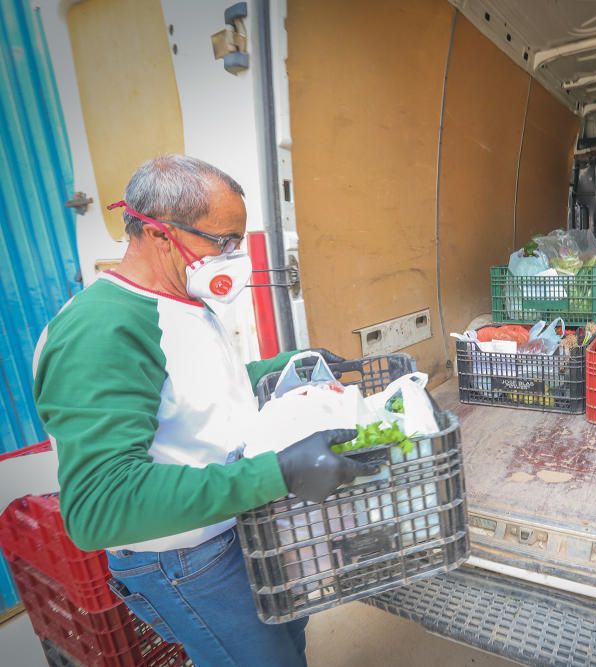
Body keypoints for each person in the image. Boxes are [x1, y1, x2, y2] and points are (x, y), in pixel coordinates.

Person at [32, 154, 376, 666]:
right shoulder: (100, 331)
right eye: (224, 242)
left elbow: (188, 391)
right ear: (158, 234)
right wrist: (277, 472)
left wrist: (285, 367)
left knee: (288, 647)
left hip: (236, 527)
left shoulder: (177, 299)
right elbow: (98, 506)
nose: (236, 256)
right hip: (187, 559)